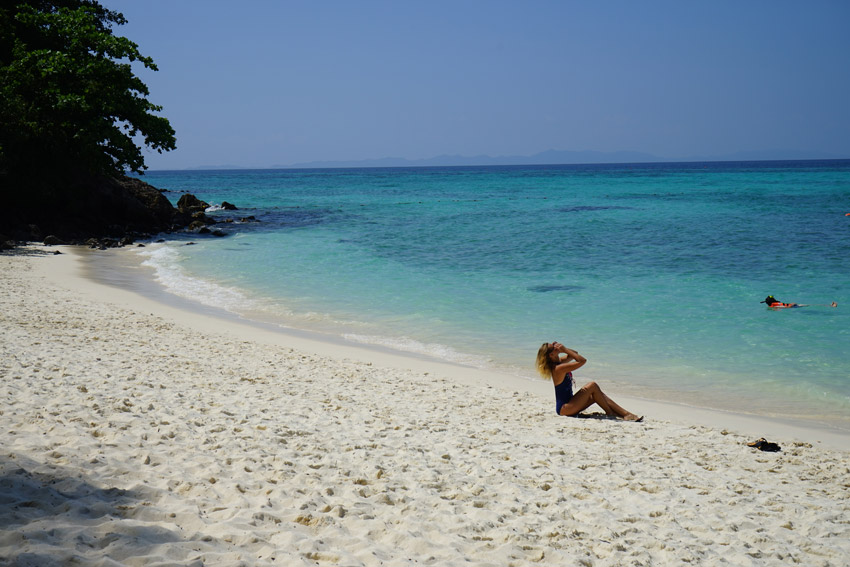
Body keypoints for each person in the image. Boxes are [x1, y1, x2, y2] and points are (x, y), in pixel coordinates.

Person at [536, 341, 643, 421]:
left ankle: (625, 414)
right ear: (551, 355)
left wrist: (564, 349)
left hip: (570, 403)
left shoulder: (559, 362)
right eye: (553, 348)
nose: (556, 347)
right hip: (565, 408)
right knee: (592, 385)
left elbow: (575, 353)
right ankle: (611, 413)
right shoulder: (558, 368)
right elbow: (582, 361)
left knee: (597, 395)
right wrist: (564, 350)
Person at [761, 295, 837, 309]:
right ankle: (831, 306)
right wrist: (793, 304)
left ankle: (830, 305)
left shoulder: (771, 306)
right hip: (793, 306)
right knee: (810, 304)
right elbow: (787, 306)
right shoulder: (776, 303)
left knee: (809, 305)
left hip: (791, 307)